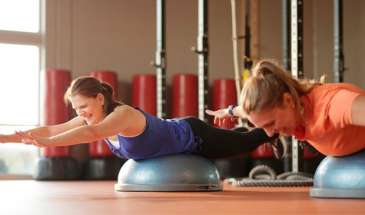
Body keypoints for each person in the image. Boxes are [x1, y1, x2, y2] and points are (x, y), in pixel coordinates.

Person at [0, 76, 283, 160]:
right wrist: (9, 137)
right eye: (75, 109)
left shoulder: (121, 116)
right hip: (178, 137)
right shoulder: (90, 119)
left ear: (100, 99)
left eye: (83, 106)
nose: (80, 114)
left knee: (247, 141)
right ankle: (269, 133)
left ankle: (274, 131)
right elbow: (52, 127)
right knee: (246, 140)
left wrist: (48, 144)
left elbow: (88, 136)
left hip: (195, 136)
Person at [212, 59, 365, 157]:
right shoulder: (282, 111)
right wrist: (228, 111)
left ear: (288, 100)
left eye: (270, 124)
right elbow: (245, 112)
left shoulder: (331, 106)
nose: (269, 132)